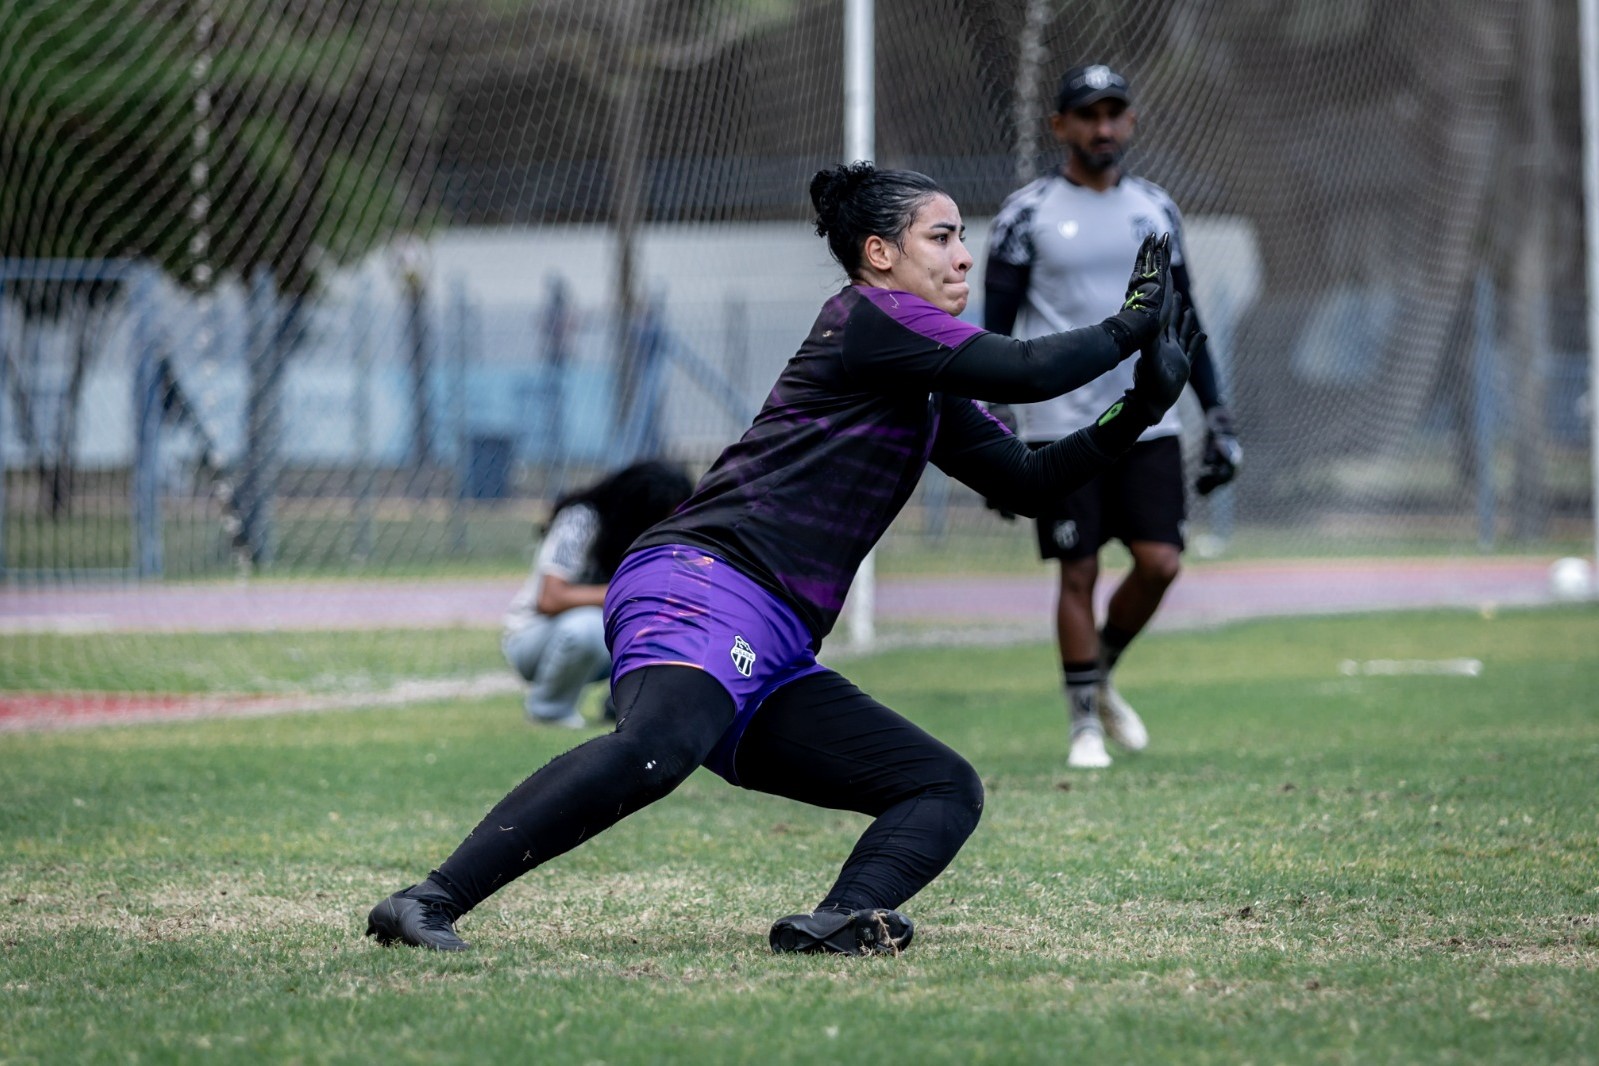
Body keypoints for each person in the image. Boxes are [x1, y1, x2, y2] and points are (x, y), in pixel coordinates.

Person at [365, 162, 1200, 956]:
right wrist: (1129, 324)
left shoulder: (927, 376)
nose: (962, 254)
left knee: (940, 787)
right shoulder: (870, 318)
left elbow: (1027, 481)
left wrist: (1142, 407)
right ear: (880, 254)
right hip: (705, 578)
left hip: (776, 640)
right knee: (657, 748)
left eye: (959, 238)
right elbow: (1027, 368)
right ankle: (428, 900)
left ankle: (841, 919)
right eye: (941, 236)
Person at [984, 63, 1242, 770]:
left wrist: (1216, 416)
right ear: (1059, 126)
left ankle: (1095, 677)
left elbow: (1185, 319)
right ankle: (1081, 725)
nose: (1102, 127)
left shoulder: (1155, 209)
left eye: (1113, 113)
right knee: (1077, 570)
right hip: (1057, 427)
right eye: (1086, 115)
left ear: (1128, 121)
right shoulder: (1025, 214)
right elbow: (991, 338)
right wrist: (990, 431)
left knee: (1160, 564)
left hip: (1148, 422)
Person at [502, 460, 694, 727]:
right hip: (534, 639)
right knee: (589, 627)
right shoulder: (581, 518)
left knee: (674, 623)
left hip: (597, 646)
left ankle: (623, 705)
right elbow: (550, 599)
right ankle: (549, 710)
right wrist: (623, 593)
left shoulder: (648, 538)